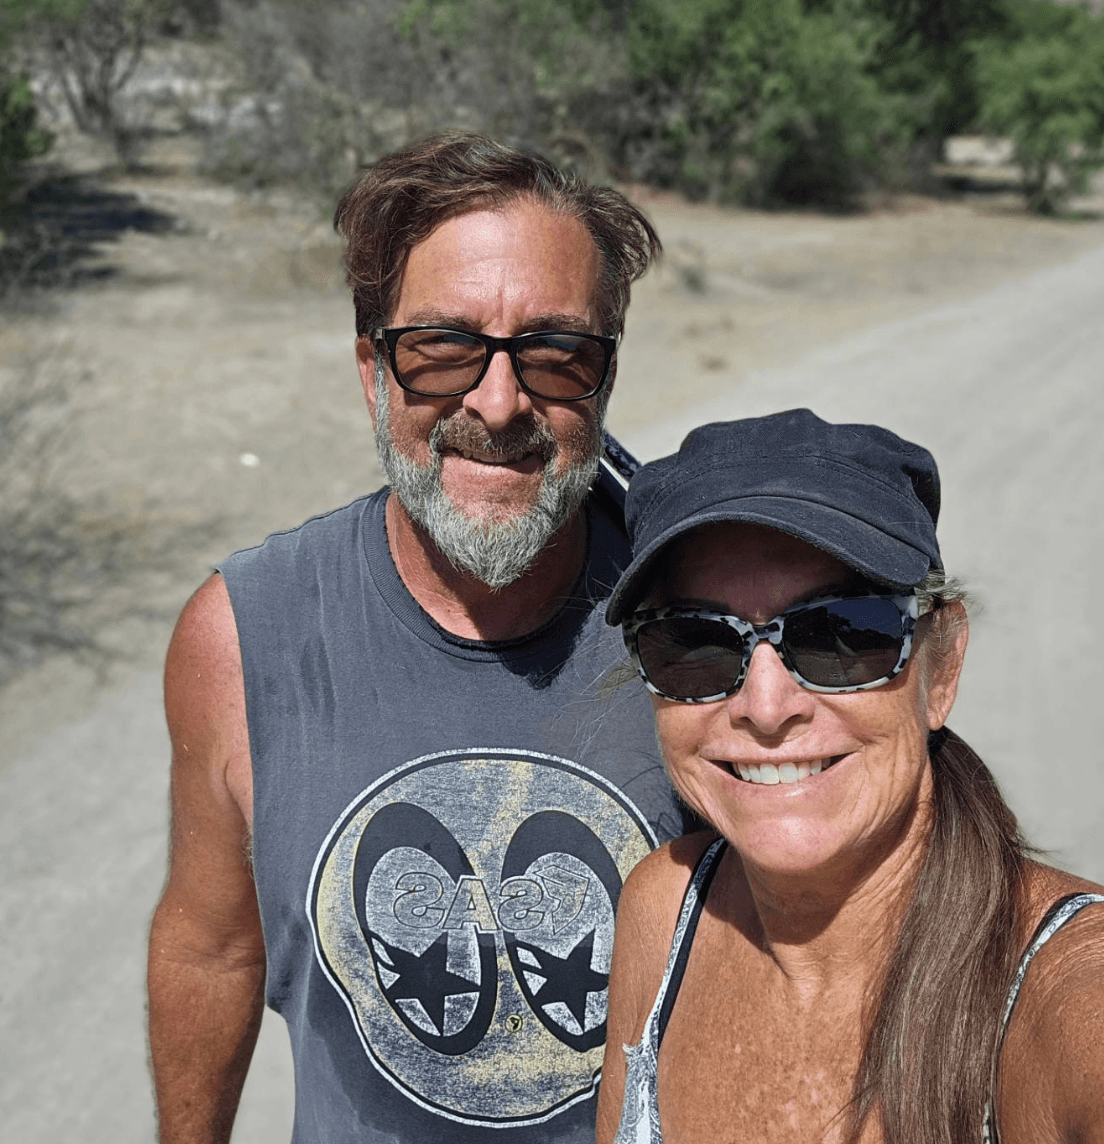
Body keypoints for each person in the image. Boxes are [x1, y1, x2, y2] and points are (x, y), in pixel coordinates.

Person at [147, 131, 689, 1144]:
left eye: (555, 352)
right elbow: (212, 945)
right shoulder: (243, 636)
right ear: (373, 372)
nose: (498, 402)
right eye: (441, 349)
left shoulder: (702, 629)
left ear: (604, 377)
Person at [596, 409, 1104, 1144]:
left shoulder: (1060, 992)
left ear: (943, 666)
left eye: (842, 634)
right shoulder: (663, 913)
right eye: (695, 644)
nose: (766, 709)